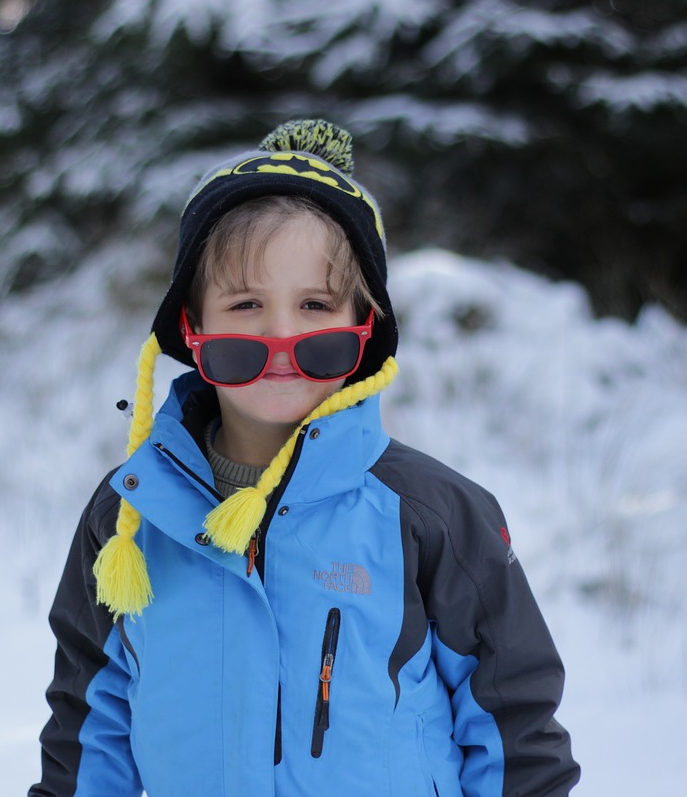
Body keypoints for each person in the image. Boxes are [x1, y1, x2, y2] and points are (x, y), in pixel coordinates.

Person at [30, 120, 579, 796]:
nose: (282, 335)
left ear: (364, 322)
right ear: (193, 327)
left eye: (315, 305)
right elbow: (88, 729)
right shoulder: (130, 517)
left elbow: (515, 730)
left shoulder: (432, 515)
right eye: (246, 303)